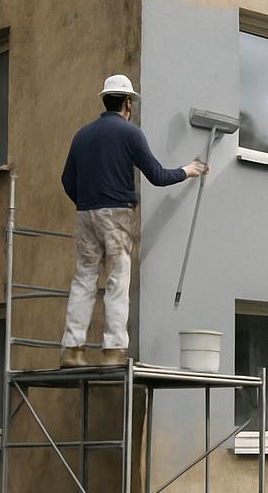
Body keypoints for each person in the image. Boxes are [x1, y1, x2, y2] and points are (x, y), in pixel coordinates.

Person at [58, 75, 206, 368]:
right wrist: (188, 170)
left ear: (105, 100)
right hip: (118, 214)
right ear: (128, 102)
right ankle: (113, 351)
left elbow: (66, 180)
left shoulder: (82, 135)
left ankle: (71, 350)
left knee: (84, 279)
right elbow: (158, 176)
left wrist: (88, 204)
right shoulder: (129, 134)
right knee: (117, 280)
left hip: (85, 214)